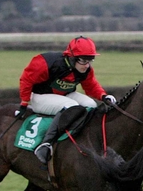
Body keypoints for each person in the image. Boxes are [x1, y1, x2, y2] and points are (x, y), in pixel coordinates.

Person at [17, 36, 116, 164]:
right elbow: (26, 79)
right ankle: (46, 144)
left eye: (90, 60)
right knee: (72, 106)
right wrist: (24, 103)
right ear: (72, 57)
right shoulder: (45, 62)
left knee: (91, 105)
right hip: (40, 97)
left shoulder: (85, 69)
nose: (87, 65)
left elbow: (91, 86)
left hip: (65, 95)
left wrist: (103, 96)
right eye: (83, 60)